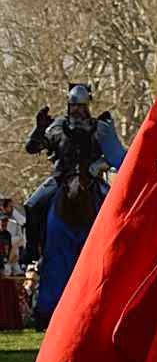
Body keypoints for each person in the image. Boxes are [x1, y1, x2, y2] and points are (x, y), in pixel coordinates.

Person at [23, 85, 125, 262]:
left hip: (91, 180)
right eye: (73, 106)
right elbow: (32, 148)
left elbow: (119, 157)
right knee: (32, 205)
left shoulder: (100, 128)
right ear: (68, 106)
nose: (77, 110)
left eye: (81, 106)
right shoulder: (57, 127)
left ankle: (118, 255)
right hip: (61, 179)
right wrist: (38, 130)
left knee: (119, 210)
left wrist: (97, 166)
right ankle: (32, 253)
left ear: (87, 106)